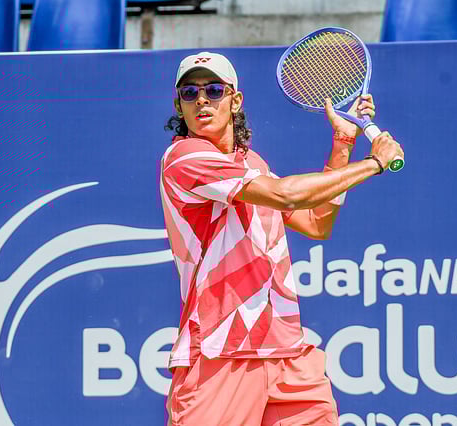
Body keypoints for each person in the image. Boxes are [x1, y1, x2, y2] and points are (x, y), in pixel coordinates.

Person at [160, 51, 404, 426]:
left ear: (235, 101)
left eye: (214, 90)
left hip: (287, 352)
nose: (202, 100)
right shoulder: (184, 158)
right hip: (221, 351)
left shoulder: (254, 165)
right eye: (190, 93)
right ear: (180, 105)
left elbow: (316, 223)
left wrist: (343, 142)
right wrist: (373, 163)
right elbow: (286, 195)